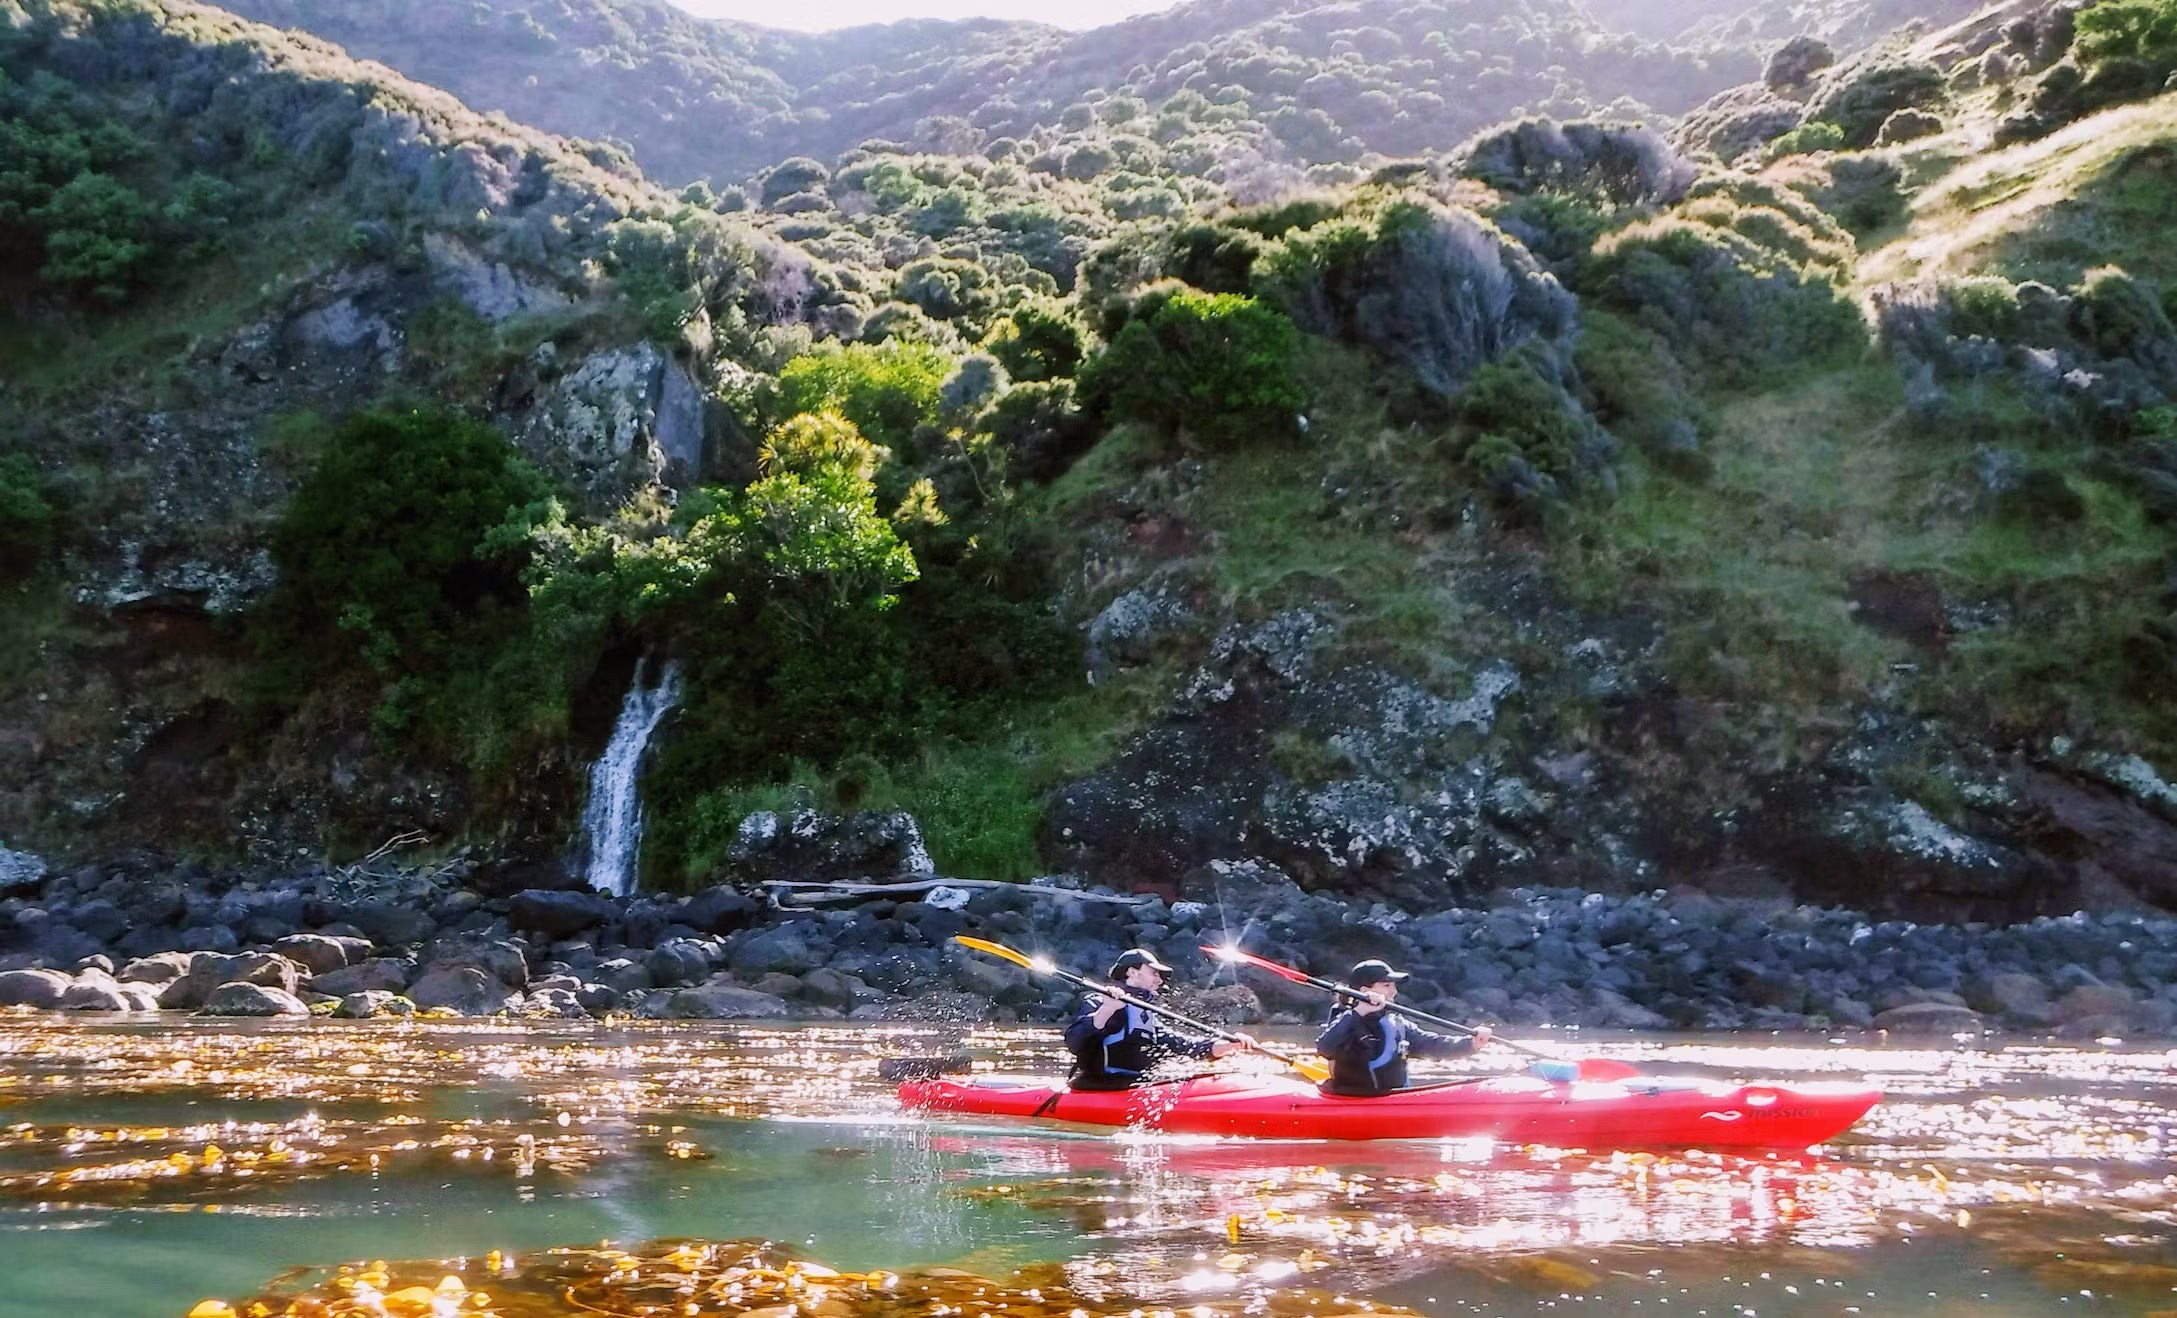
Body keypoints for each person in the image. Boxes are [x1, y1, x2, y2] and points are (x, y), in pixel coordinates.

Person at [1064, 948, 1257, 1090]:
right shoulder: (1100, 1000)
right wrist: (1106, 1010)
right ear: (1132, 972)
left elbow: (1178, 1043)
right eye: (1154, 972)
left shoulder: (1144, 1012)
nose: (1159, 980)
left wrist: (1223, 1045)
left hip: (1135, 1085)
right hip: (1100, 1087)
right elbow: (1074, 1042)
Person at [1315, 959, 1491, 1096]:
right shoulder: (1348, 1020)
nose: (1394, 992)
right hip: (1357, 1099)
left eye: (1393, 985)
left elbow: (1431, 1045)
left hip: (1393, 1098)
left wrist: (1471, 1044)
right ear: (1364, 990)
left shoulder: (1394, 1022)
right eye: (1386, 986)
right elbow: (1324, 1047)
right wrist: (1360, 1011)